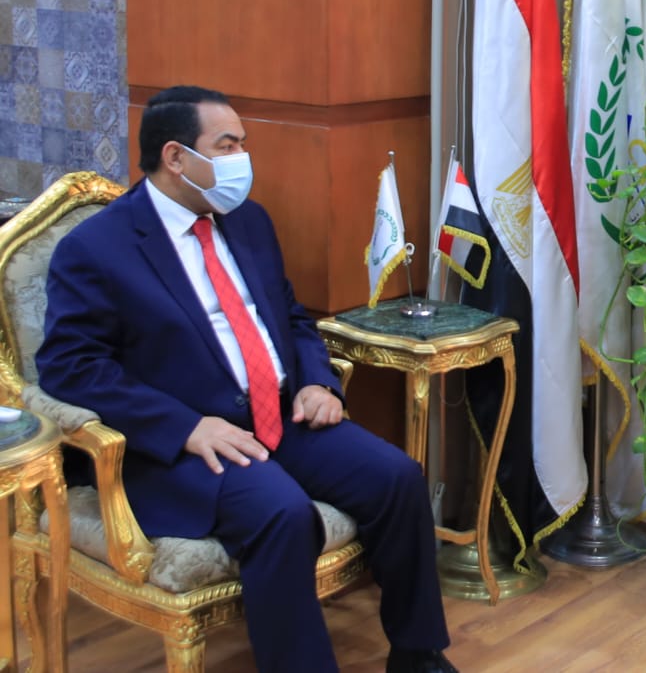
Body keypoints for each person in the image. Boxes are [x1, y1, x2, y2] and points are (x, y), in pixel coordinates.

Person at [37, 86, 457, 673]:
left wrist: (317, 382)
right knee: (283, 513)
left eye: (242, 143)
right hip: (186, 446)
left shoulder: (248, 222)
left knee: (398, 478)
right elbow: (70, 366)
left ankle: (419, 657)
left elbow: (290, 317)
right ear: (176, 156)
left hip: (281, 412)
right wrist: (185, 427)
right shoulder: (96, 247)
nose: (242, 158)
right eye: (228, 145)